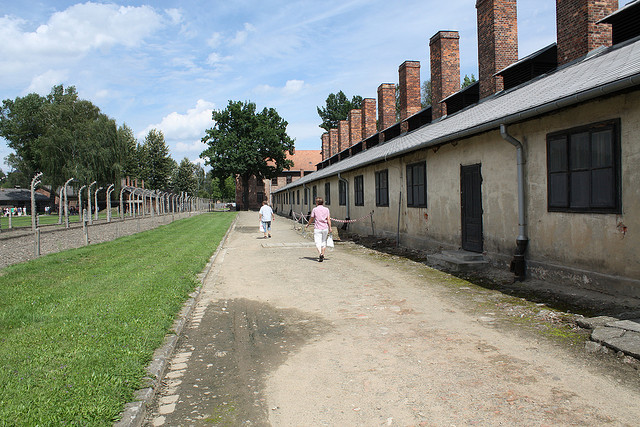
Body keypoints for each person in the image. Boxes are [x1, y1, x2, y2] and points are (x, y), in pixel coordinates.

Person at [306, 197, 332, 262]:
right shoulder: (326, 209)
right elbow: (328, 219)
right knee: (323, 241)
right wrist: (330, 227)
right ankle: (323, 254)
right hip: (325, 228)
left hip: (318, 228)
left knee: (318, 242)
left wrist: (308, 224)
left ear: (317, 202)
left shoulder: (315, 209)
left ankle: (320, 254)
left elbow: (312, 218)